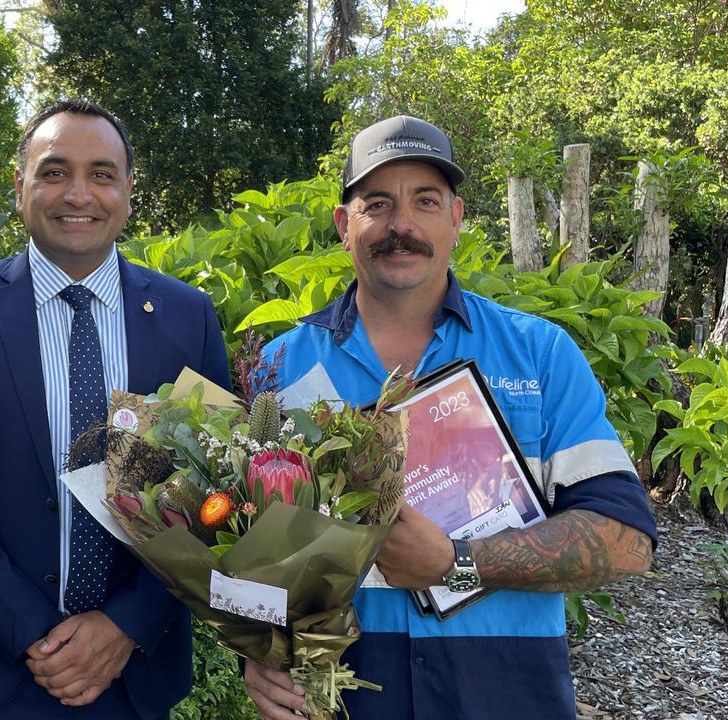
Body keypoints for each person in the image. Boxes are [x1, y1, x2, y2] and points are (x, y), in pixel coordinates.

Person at [242, 116, 657, 720]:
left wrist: (458, 564)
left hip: (506, 689)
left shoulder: (539, 354)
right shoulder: (278, 371)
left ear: (457, 218)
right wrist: (257, 652)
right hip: (340, 691)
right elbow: (249, 549)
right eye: (377, 204)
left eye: (425, 201)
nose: (401, 225)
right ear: (344, 224)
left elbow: (627, 542)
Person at [0, 99, 231, 719]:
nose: (78, 193)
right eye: (54, 172)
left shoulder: (188, 317)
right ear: (20, 185)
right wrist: (31, 631)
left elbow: (214, 489)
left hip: (135, 674)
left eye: (101, 174)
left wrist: (127, 625)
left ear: (128, 193)